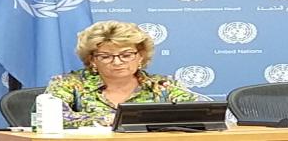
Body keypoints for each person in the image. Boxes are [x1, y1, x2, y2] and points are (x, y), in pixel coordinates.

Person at [44, 20, 197, 128]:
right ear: (92, 60)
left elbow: (199, 114)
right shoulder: (68, 84)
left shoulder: (162, 85)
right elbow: (48, 118)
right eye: (105, 56)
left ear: (141, 56)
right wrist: (111, 119)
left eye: (126, 55)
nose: (117, 62)